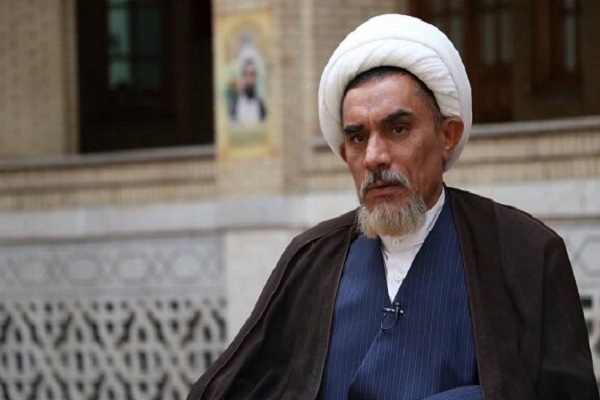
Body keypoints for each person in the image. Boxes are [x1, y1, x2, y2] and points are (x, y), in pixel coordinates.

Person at [188, 14, 598, 399]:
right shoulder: (310, 261)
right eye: (357, 137)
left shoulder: (525, 253)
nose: (374, 157)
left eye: (398, 129)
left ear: (447, 136)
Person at [227, 57, 267, 124]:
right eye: (246, 74)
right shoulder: (234, 104)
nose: (249, 79)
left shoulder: (261, 105)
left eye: (252, 74)